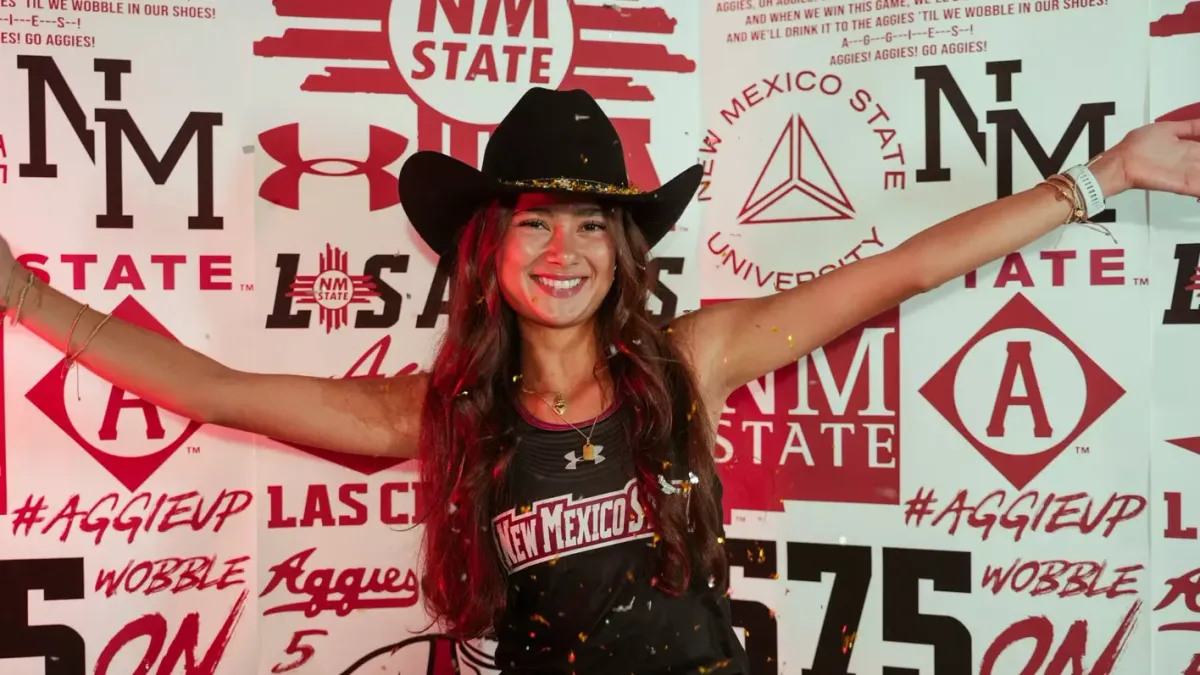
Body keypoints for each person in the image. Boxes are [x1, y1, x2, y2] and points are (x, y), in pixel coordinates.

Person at [2, 87, 1197, 674]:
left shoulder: (695, 359)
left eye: (589, 224)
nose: (562, 250)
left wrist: (1104, 176)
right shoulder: (436, 414)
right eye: (534, 221)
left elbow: (898, 271)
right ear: (490, 247)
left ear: (623, 249)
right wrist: (24, 297)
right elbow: (213, 389)